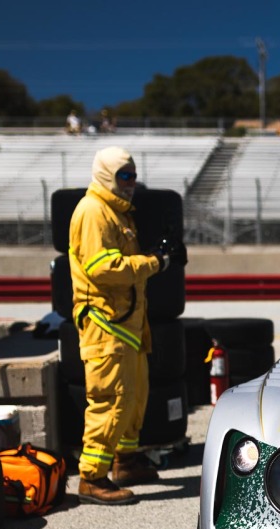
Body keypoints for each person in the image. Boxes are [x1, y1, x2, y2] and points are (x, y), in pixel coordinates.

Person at [69, 146, 175, 505]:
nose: (131, 183)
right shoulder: (93, 211)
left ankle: (125, 462)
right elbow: (103, 268)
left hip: (127, 323)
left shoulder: (118, 213)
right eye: (124, 176)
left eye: (133, 176)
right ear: (106, 175)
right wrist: (155, 262)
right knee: (110, 399)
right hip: (105, 323)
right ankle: (91, 477)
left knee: (134, 397)